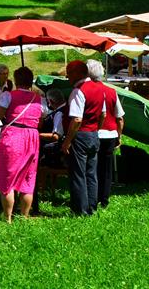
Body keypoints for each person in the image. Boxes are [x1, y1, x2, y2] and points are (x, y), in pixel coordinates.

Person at [0, 66, 42, 223]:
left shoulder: (8, 95)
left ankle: (7, 218)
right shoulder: (39, 98)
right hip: (32, 136)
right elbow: (40, 118)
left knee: (7, 177)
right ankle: (24, 217)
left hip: (13, 136)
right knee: (28, 178)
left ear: (16, 80)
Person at [62, 59, 103, 216]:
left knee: (78, 174)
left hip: (80, 135)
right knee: (91, 173)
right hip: (93, 134)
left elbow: (77, 119)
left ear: (77, 73)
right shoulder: (99, 89)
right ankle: (92, 206)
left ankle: (80, 210)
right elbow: (103, 114)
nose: (67, 77)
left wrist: (67, 141)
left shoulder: (78, 91)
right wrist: (95, 129)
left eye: (69, 73)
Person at [88, 60, 125, 208]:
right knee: (106, 168)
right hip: (110, 134)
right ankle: (104, 199)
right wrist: (119, 135)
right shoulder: (111, 92)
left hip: (93, 133)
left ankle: (92, 196)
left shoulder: (86, 91)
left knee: (92, 167)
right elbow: (120, 118)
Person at [38, 88, 67, 168]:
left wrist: (37, 135)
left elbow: (55, 136)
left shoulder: (59, 113)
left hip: (54, 151)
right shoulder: (65, 109)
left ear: (50, 101)